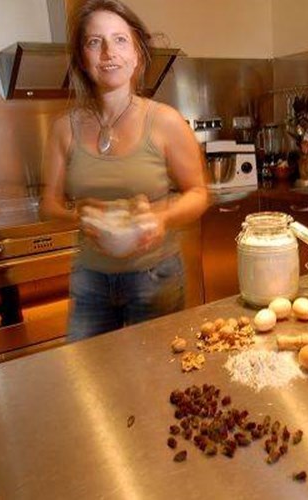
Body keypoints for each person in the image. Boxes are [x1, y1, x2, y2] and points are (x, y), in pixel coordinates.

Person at [40, 0, 208, 341]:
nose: (107, 52)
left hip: (155, 276)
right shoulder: (63, 129)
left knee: (157, 378)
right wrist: (81, 216)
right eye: (94, 42)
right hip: (90, 280)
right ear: (83, 60)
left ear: (137, 55)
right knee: (89, 380)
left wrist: (162, 218)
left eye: (119, 40)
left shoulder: (164, 121)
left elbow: (199, 193)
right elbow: (49, 205)